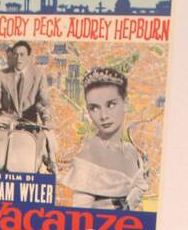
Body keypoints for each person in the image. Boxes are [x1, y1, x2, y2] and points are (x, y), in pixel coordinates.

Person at [61, 67, 149, 210]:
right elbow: (79, 217)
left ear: (126, 103)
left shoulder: (132, 151)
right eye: (94, 108)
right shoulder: (88, 156)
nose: (103, 116)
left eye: (111, 104)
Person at [0, 40, 50, 127]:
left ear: (28, 57)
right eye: (15, 54)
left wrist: (46, 118)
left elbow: (43, 102)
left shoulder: (39, 74)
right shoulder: (2, 75)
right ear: (12, 56)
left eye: (22, 55)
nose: (18, 58)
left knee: (46, 139)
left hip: (29, 123)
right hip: (5, 121)